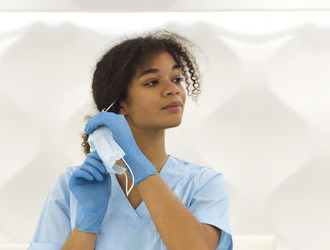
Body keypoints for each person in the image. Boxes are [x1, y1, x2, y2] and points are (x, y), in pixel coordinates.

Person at [28, 30, 233, 250]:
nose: (173, 89)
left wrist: (137, 164)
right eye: (152, 82)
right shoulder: (73, 186)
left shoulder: (202, 184)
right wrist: (87, 222)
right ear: (120, 103)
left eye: (176, 79)